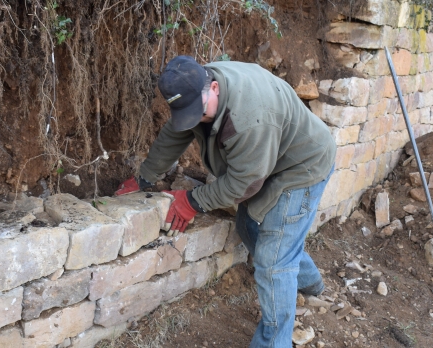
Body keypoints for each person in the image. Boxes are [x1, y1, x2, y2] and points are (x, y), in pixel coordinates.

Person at [115, 55, 336, 347]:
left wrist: (193, 200)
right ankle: (309, 282)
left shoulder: (249, 118)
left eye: (198, 112)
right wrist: (146, 177)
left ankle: (273, 341)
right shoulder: (200, 90)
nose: (196, 119)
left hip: (301, 167)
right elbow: (175, 133)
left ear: (215, 87)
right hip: (267, 159)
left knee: (274, 263)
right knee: (248, 227)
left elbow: (246, 182)